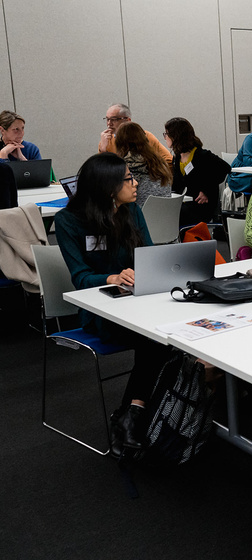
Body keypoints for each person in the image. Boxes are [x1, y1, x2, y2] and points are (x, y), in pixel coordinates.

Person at [54, 152, 172, 454]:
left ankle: (132, 412)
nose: (136, 184)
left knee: (169, 335)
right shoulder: (69, 221)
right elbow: (80, 278)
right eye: (129, 179)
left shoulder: (131, 212)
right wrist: (112, 278)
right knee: (158, 339)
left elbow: (148, 255)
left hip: (139, 302)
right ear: (108, 187)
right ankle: (135, 413)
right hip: (100, 314)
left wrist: (145, 271)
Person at [163, 117, 231, 227]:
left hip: (201, 204)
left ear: (176, 136)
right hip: (187, 202)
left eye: (166, 134)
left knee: (174, 214)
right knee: (167, 211)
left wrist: (206, 190)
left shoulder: (201, 155)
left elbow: (225, 168)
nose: (165, 137)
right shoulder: (177, 158)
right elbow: (177, 185)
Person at [114, 121, 172, 207]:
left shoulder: (125, 166)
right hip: (163, 216)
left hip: (138, 216)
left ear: (119, 142)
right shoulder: (159, 162)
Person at [98, 103, 172, 164]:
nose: (109, 124)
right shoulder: (106, 140)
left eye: (114, 119)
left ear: (128, 120)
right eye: (107, 119)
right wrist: (103, 150)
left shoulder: (145, 136)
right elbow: (101, 170)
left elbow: (169, 161)